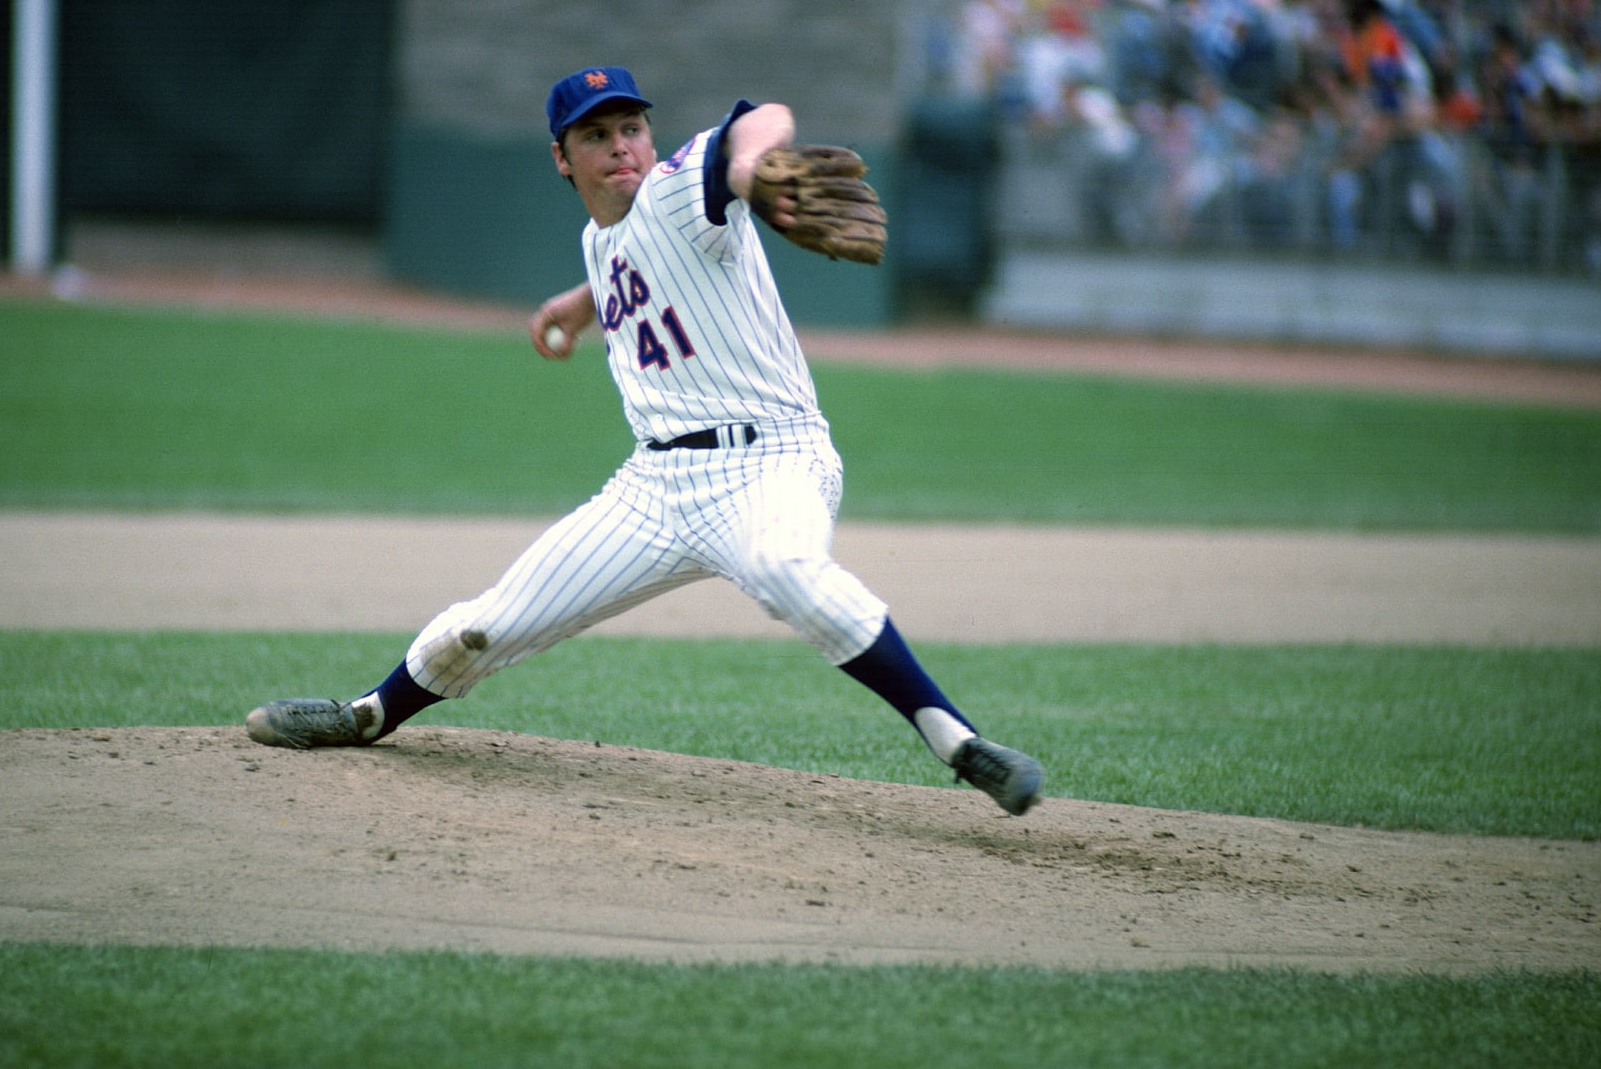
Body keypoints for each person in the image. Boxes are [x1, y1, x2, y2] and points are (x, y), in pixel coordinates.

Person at [244, 66, 1044, 818]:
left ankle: (961, 741)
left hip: (771, 459)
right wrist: (584, 300)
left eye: (631, 127)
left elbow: (760, 120)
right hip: (652, 490)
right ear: (563, 159)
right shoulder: (605, 239)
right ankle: (370, 713)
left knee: (783, 568)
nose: (620, 145)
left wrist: (758, 164)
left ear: (651, 140)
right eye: (596, 136)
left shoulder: (678, 191)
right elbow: (631, 257)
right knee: (485, 626)